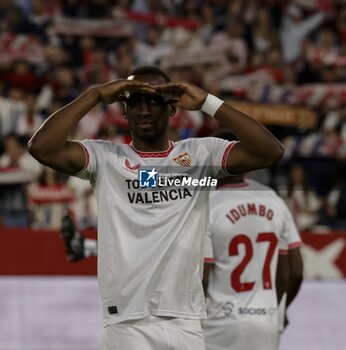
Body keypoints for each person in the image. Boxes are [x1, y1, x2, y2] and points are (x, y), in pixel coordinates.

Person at [28, 65, 283, 350]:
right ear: (123, 110)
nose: (144, 110)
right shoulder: (106, 158)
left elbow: (270, 152)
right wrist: (96, 95)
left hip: (185, 323)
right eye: (134, 101)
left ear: (173, 108)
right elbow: (42, 148)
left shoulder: (201, 155)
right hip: (126, 324)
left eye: (154, 100)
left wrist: (207, 102)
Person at [202, 131, 303, 350]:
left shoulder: (207, 204)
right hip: (265, 323)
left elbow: (203, 279)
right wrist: (278, 311)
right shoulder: (273, 199)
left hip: (218, 325)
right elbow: (293, 272)